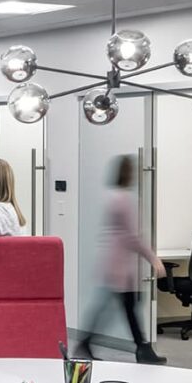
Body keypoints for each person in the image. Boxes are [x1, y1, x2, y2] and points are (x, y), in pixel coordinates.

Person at [74, 155, 168, 364]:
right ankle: (142, 350)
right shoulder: (125, 199)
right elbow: (132, 236)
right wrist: (153, 258)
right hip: (121, 266)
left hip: (111, 262)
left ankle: (87, 343)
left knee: (120, 307)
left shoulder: (111, 196)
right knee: (128, 308)